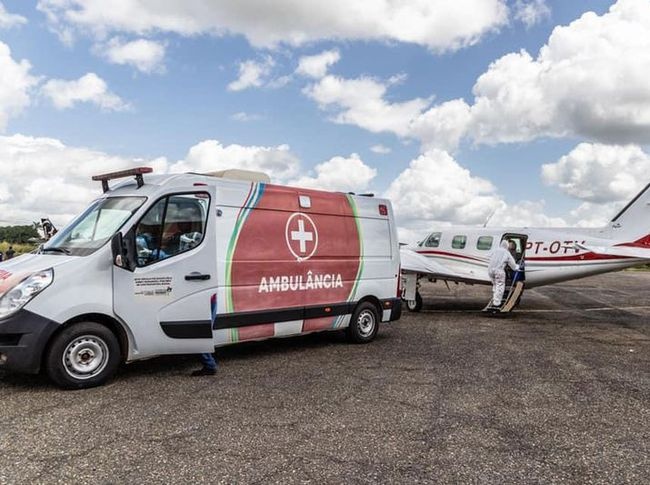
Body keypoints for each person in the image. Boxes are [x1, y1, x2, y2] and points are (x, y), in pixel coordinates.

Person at [487, 240, 518, 308]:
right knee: (500, 285)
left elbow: (488, 257)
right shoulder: (506, 252)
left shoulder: (495, 250)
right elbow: (513, 264)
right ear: (507, 246)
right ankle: (496, 303)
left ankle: (495, 299)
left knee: (495, 285)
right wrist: (516, 268)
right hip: (499, 271)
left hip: (490, 270)